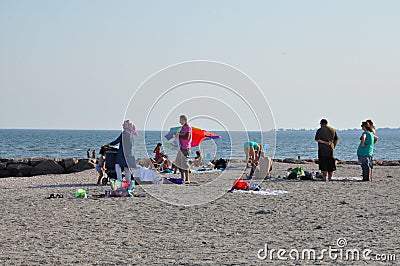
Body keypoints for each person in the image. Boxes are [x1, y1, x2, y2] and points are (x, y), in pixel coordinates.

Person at [175, 115, 192, 183]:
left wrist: (179, 136)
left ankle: (187, 179)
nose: (180, 122)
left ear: (184, 120)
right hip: (181, 147)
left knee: (184, 163)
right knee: (179, 163)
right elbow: (181, 136)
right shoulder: (182, 127)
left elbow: (187, 137)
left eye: (181, 120)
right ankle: (182, 178)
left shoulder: (188, 127)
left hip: (185, 148)